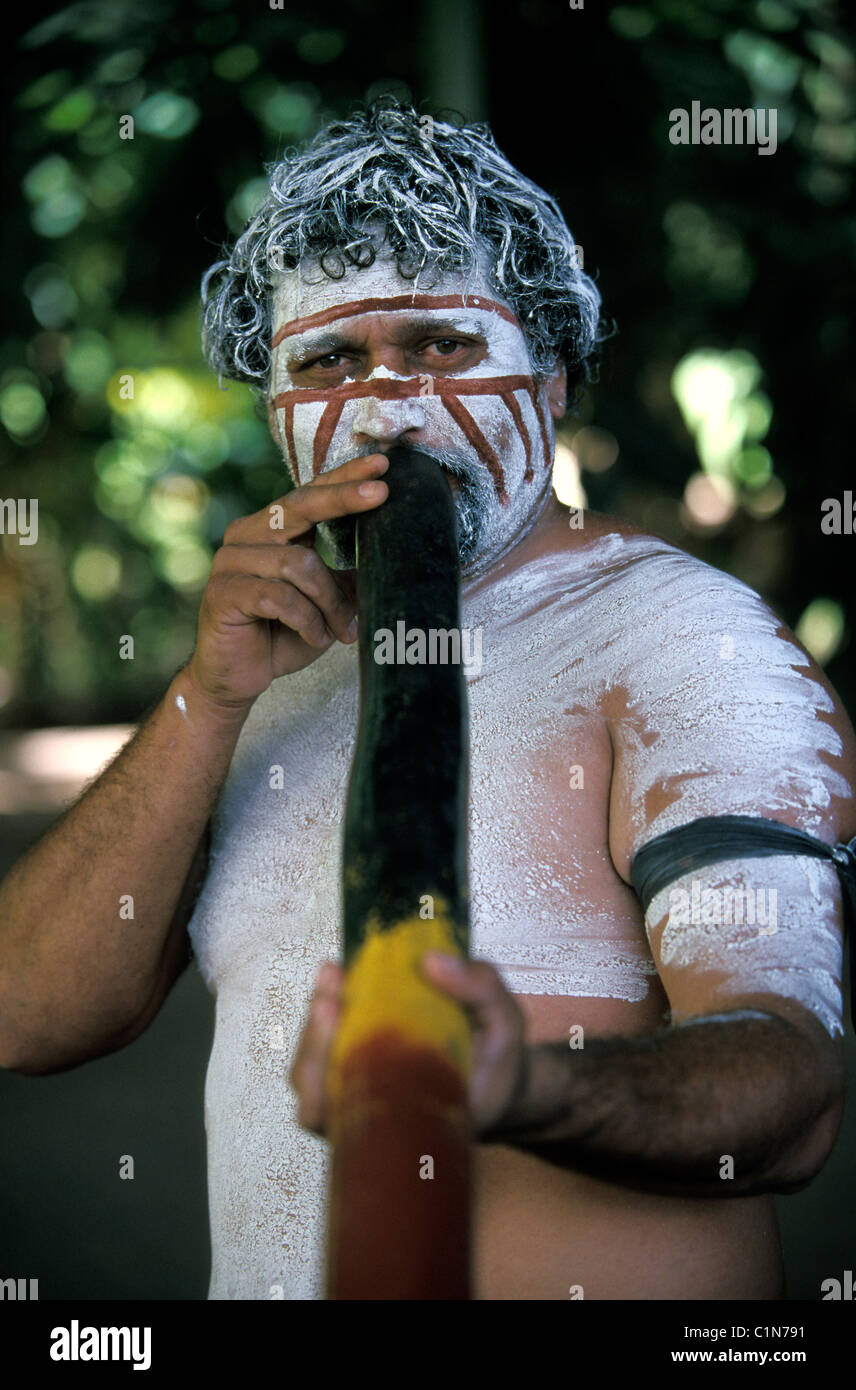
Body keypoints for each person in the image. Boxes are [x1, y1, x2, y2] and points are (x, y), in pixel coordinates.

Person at [1, 101, 853, 1302]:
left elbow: (793, 1088)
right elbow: (25, 1015)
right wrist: (205, 693)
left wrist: (517, 1087)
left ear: (551, 382)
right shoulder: (266, 674)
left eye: (442, 344)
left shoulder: (684, 640)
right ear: (276, 412)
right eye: (329, 361)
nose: (386, 406)